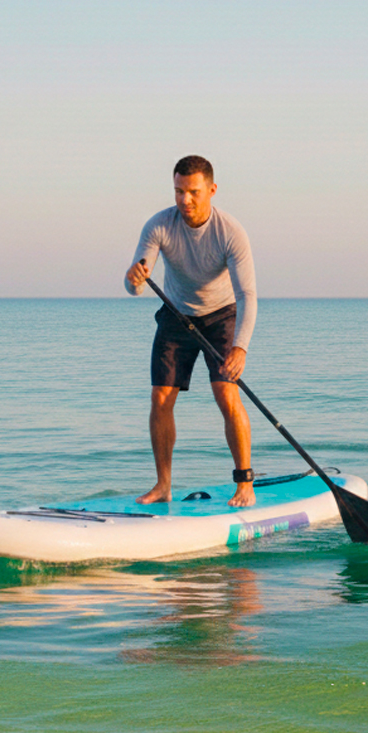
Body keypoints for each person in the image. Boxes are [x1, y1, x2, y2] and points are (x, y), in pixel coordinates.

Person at [125, 155, 258, 507]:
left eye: (194, 192)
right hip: (176, 315)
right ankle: (162, 485)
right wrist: (133, 280)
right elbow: (137, 283)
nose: (185, 200)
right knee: (160, 398)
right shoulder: (159, 225)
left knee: (226, 395)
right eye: (179, 191)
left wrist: (240, 348)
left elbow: (247, 295)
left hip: (221, 316)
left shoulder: (230, 232)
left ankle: (245, 484)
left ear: (211, 190)